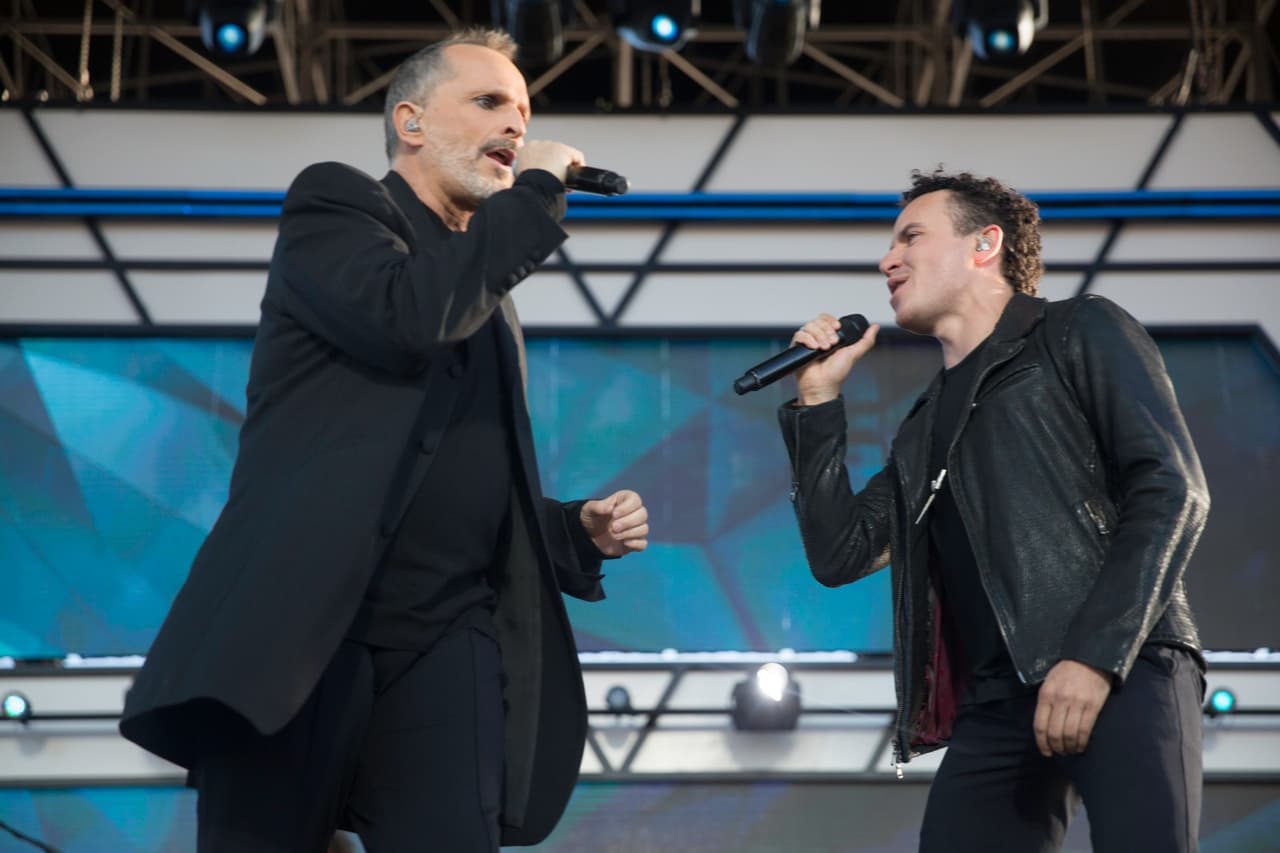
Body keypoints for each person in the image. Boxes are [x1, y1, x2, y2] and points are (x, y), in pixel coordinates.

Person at [119, 28, 650, 852]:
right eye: (489, 102)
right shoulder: (337, 205)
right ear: (411, 122)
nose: (515, 124)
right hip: (309, 624)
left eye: (523, 109)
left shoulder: (485, 292)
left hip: (446, 631)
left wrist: (568, 527)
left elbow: (448, 470)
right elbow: (406, 318)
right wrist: (537, 190)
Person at [778, 169, 1208, 851]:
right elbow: (841, 553)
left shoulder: (1077, 330)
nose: (887, 260)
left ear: (985, 244)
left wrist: (1093, 655)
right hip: (996, 704)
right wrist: (817, 401)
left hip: (1125, 660)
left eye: (910, 238)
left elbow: (1173, 488)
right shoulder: (923, 427)